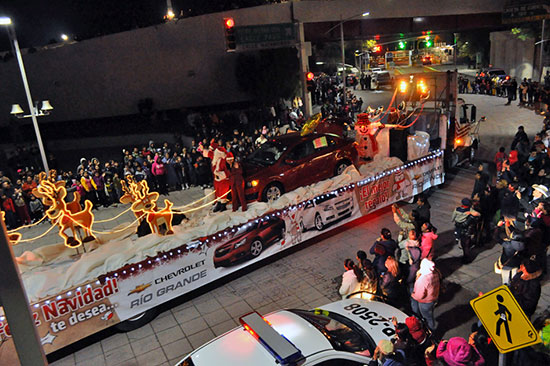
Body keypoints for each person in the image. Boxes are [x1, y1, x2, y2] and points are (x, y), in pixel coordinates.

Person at [411, 259, 440, 332]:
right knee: (430, 316)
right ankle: (432, 330)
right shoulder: (435, 273)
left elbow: (419, 295)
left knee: (427, 317)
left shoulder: (423, 279)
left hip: (425, 302)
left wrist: (413, 295)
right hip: (432, 299)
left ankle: (430, 331)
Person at [451, 198, 480, 263]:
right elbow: (478, 214)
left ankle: (466, 256)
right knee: (466, 242)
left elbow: (453, 217)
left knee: (463, 241)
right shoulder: (470, 210)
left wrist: (454, 220)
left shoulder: (457, 209)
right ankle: (466, 254)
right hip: (466, 229)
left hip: (459, 227)